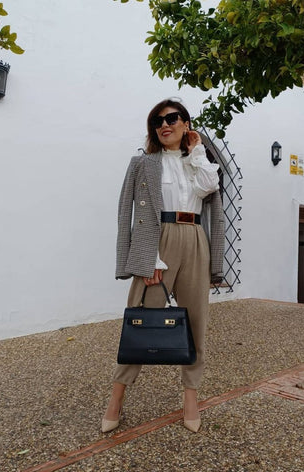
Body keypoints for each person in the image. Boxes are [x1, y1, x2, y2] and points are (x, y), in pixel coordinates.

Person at [102, 98, 225, 433]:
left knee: (197, 322)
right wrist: (148, 258)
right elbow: (127, 213)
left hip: (195, 239)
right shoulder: (143, 163)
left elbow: (209, 187)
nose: (164, 125)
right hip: (160, 241)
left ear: (186, 123)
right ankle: (116, 398)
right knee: (140, 319)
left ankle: (190, 398)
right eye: (157, 122)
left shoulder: (197, 162)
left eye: (172, 118)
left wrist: (197, 151)